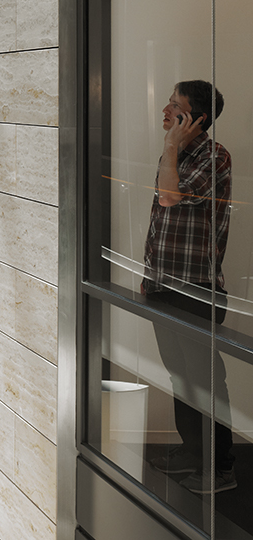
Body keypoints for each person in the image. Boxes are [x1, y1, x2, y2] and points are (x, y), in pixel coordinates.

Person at [143, 81, 235, 494]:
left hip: (196, 291)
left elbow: (167, 198)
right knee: (180, 378)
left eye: (175, 106)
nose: (165, 109)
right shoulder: (177, 155)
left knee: (204, 382)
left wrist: (170, 147)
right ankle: (192, 452)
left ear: (195, 119)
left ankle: (220, 469)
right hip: (165, 285)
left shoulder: (214, 157)